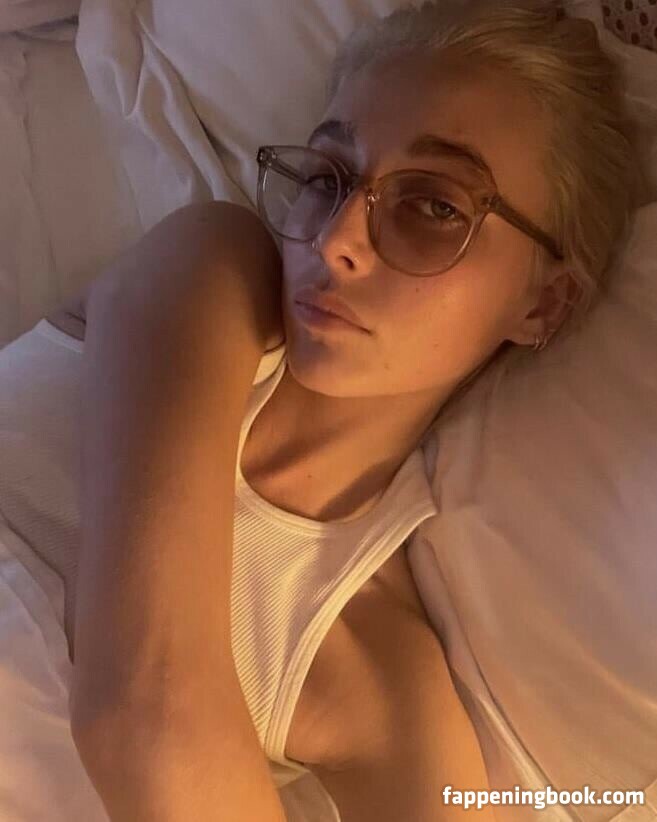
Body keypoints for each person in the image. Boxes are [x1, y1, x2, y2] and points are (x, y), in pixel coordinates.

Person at [1, 0, 642, 819]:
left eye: (434, 206)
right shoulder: (210, 272)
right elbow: (145, 708)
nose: (335, 238)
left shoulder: (380, 672)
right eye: (326, 179)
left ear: (543, 303)